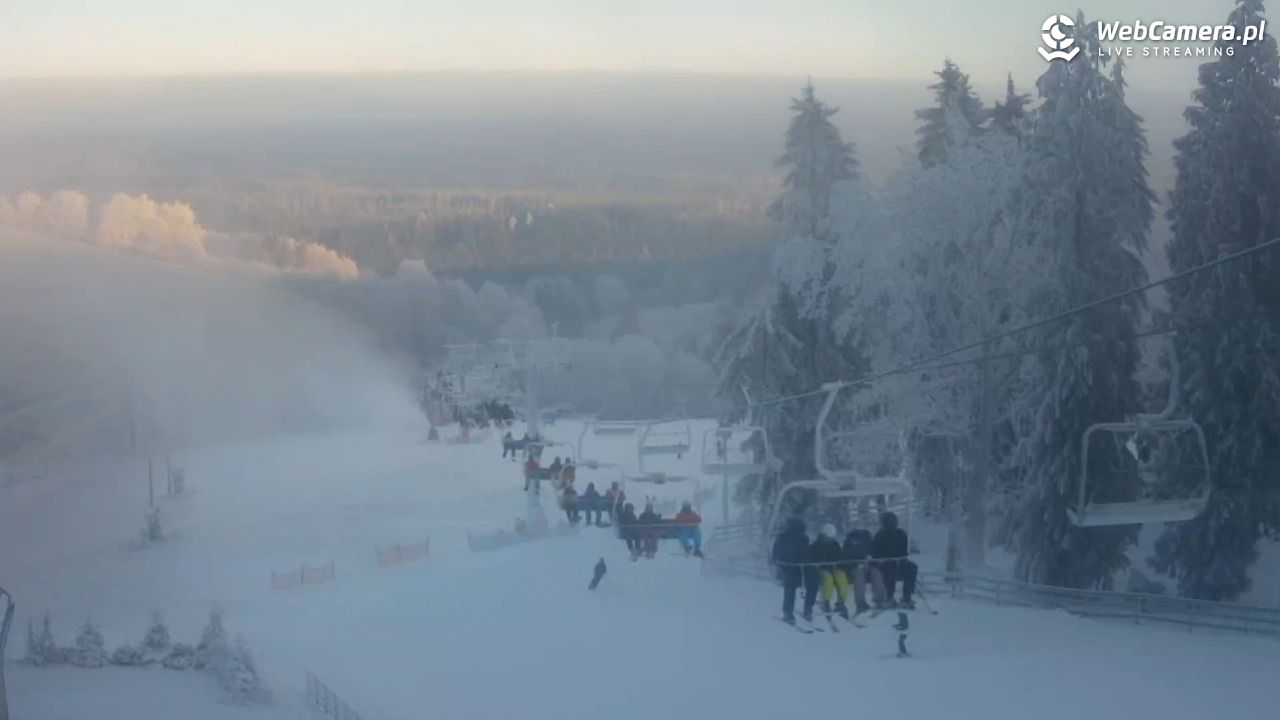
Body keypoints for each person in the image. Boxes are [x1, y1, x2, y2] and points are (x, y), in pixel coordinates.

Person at [871, 512, 918, 609]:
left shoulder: (900, 534)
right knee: (889, 570)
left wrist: (902, 558)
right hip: (885, 564)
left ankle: (907, 596)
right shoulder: (879, 535)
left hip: (899, 562)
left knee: (912, 567)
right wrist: (881, 559)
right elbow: (874, 553)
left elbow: (903, 551)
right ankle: (889, 597)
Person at [771, 518, 809, 625]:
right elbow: (776, 554)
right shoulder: (786, 537)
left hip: (795, 566)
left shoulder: (786, 537)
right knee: (791, 585)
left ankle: (793, 611)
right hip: (789, 567)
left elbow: (775, 553)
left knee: (792, 586)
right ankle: (790, 611)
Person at [810, 524, 850, 619]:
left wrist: (841, 565)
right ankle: (826, 602)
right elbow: (812, 558)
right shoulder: (816, 545)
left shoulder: (835, 545)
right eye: (828, 538)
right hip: (823, 569)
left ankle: (841, 603)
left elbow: (840, 556)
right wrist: (820, 564)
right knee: (828, 580)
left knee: (842, 578)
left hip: (835, 568)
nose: (829, 540)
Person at [842, 527, 885, 615]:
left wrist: (872, 562)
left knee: (876, 573)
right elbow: (845, 558)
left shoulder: (869, 543)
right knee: (859, 576)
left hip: (868, 566)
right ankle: (860, 603)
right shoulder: (848, 544)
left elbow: (875, 555)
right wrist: (858, 562)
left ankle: (879, 600)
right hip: (854, 567)